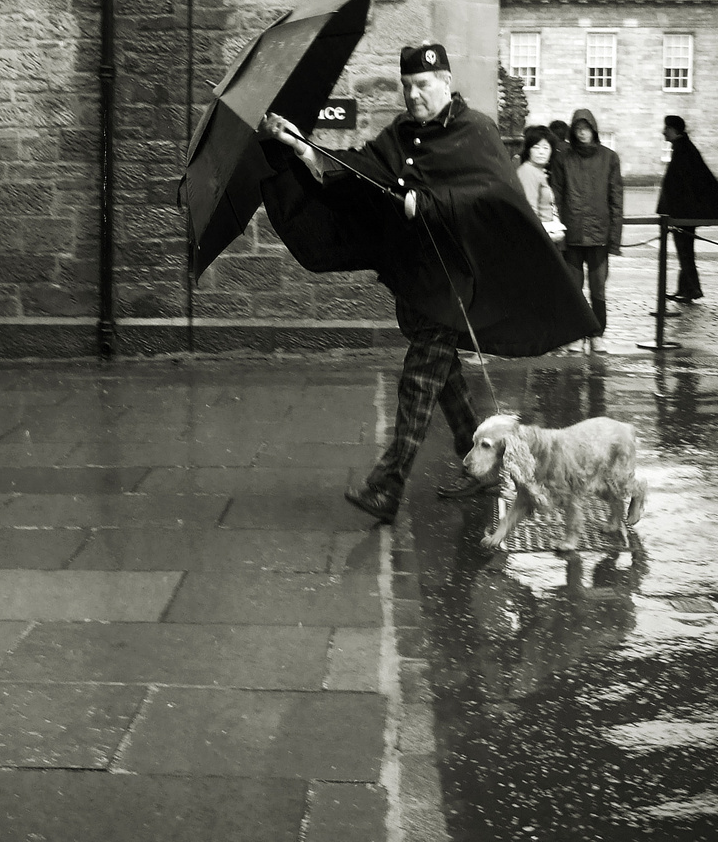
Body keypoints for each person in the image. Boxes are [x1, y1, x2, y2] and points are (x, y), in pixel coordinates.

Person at [256, 43, 598, 524]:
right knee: (444, 376)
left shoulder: (474, 130)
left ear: (446, 81)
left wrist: (433, 203)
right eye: (407, 86)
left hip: (457, 280)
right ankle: (477, 459)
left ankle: (388, 485)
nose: (414, 95)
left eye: (423, 85)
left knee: (419, 380)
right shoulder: (402, 133)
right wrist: (298, 145)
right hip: (419, 278)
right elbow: (362, 170)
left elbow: (495, 195)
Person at [553, 108, 624, 354]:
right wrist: (558, 233)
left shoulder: (609, 158)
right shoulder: (564, 157)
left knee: (598, 289)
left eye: (586, 129)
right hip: (571, 234)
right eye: (578, 130)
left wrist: (614, 239)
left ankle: (596, 333)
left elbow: (616, 198)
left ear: (593, 129)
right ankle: (576, 333)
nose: (582, 134)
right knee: (574, 288)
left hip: (599, 235)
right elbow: (557, 196)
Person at [656, 114, 718, 302]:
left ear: (673, 129)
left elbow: (681, 185)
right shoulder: (683, 148)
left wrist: (673, 212)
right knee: (685, 251)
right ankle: (686, 289)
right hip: (683, 212)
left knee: (684, 251)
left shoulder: (683, 150)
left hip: (682, 213)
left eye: (666, 128)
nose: (663, 132)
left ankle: (692, 289)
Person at [517, 127, 565, 243]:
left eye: (545, 148)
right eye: (536, 147)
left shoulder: (538, 171)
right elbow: (529, 209)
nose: (541, 152)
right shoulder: (528, 171)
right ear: (528, 150)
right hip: (537, 238)